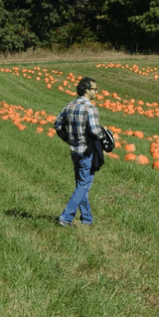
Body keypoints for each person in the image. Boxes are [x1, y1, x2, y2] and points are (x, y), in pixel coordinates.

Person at [54, 77, 104, 226]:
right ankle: (66, 217)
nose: (96, 91)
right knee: (83, 186)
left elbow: (57, 124)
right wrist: (105, 137)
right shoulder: (90, 108)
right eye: (94, 89)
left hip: (74, 150)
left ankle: (87, 219)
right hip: (87, 151)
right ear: (86, 90)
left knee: (81, 186)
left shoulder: (70, 106)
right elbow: (95, 131)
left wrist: (68, 139)